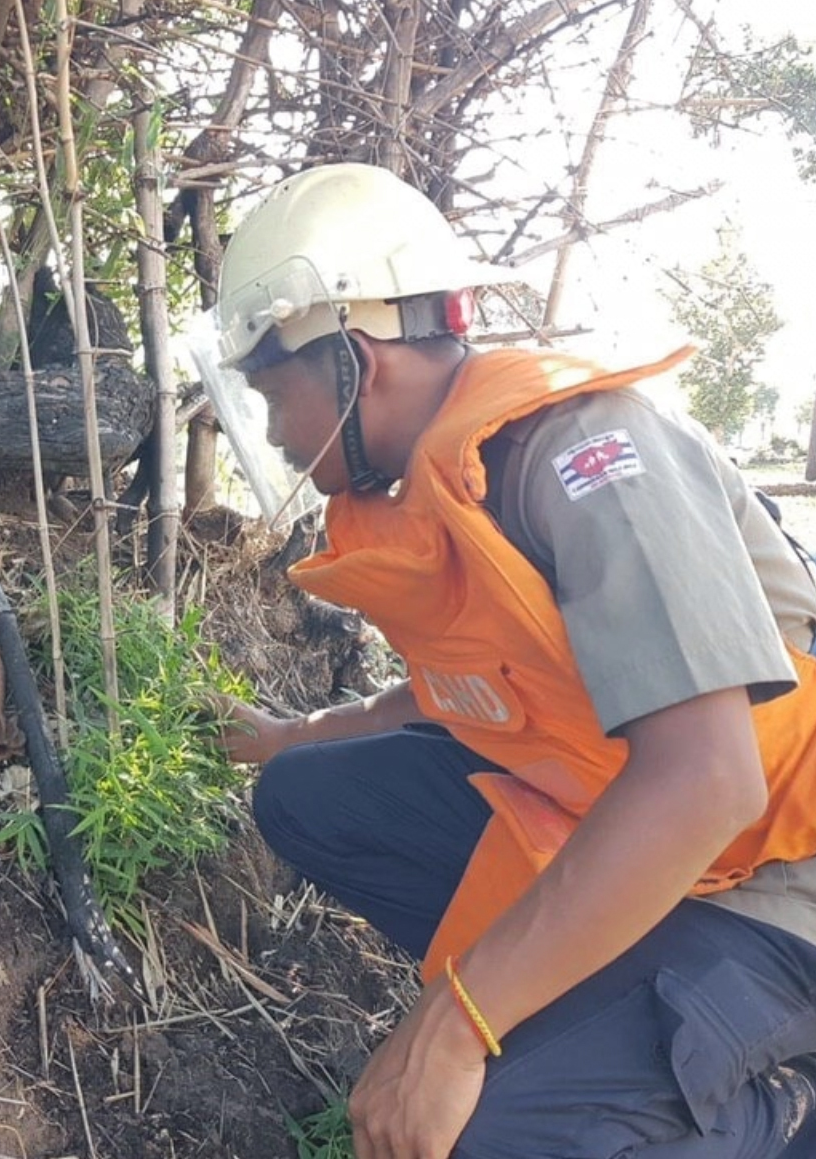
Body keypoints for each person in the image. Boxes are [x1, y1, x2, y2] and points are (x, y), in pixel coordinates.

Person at [198, 162, 816, 1159]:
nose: (270, 429)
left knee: (483, 1135)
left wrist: (456, 1023)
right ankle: (582, 1022)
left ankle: (768, 1108)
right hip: (628, 825)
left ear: (353, 359)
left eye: (272, 394)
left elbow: (707, 777)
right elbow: (476, 693)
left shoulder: (590, 449)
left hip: (776, 878)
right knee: (306, 795)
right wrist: (284, 736)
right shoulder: (435, 488)